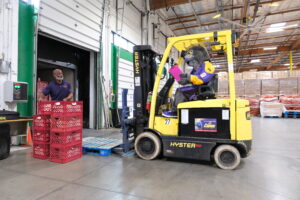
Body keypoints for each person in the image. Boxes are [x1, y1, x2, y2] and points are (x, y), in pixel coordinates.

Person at [162, 45, 215, 117]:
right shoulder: (196, 69)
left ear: (198, 57)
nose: (192, 63)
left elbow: (203, 78)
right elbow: (191, 79)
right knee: (182, 89)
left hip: (201, 90)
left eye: (193, 61)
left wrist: (189, 77)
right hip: (198, 89)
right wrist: (181, 78)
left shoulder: (207, 65)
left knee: (180, 91)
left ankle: (175, 112)